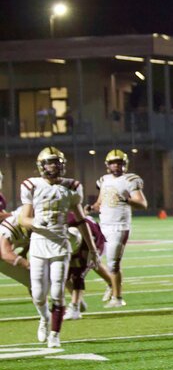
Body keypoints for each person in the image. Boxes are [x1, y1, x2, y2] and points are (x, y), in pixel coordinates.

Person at [20, 147, 99, 348]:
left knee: (57, 291)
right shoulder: (31, 185)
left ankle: (55, 334)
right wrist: (37, 224)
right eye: (49, 162)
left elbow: (81, 220)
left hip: (60, 243)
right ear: (41, 165)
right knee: (38, 294)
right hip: (39, 242)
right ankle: (44, 318)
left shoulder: (72, 187)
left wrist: (92, 249)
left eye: (56, 162)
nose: (53, 166)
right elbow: (24, 218)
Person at [91, 149, 147, 307]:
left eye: (119, 163)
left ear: (125, 164)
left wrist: (126, 200)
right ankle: (110, 283)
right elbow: (100, 201)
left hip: (119, 226)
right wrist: (91, 207)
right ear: (107, 165)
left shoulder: (130, 179)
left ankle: (118, 298)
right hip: (102, 225)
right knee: (92, 259)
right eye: (113, 163)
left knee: (113, 263)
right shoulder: (103, 180)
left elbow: (142, 204)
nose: (116, 166)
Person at [64, 213, 108, 320]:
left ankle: (75, 308)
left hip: (94, 244)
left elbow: (79, 272)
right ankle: (78, 302)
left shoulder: (88, 236)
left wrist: (93, 251)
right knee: (62, 273)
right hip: (70, 240)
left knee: (78, 273)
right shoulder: (61, 222)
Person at [0, 208, 31, 288]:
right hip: (3, 256)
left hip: (3, 259)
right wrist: (28, 265)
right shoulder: (10, 225)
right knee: (34, 279)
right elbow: (5, 254)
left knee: (34, 281)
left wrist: (24, 252)